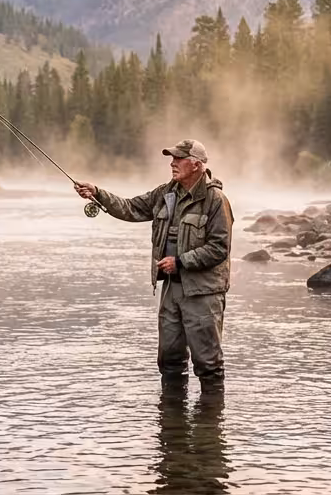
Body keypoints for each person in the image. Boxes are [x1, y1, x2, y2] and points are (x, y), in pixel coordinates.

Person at [73, 139, 233, 391]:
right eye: (172, 158)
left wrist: (180, 262)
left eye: (178, 159)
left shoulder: (215, 200)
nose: (172, 163)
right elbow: (130, 208)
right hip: (171, 289)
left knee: (208, 364)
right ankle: (172, 424)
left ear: (197, 165)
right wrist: (97, 193)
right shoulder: (165, 193)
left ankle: (210, 425)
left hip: (203, 293)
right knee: (169, 360)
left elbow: (219, 248)